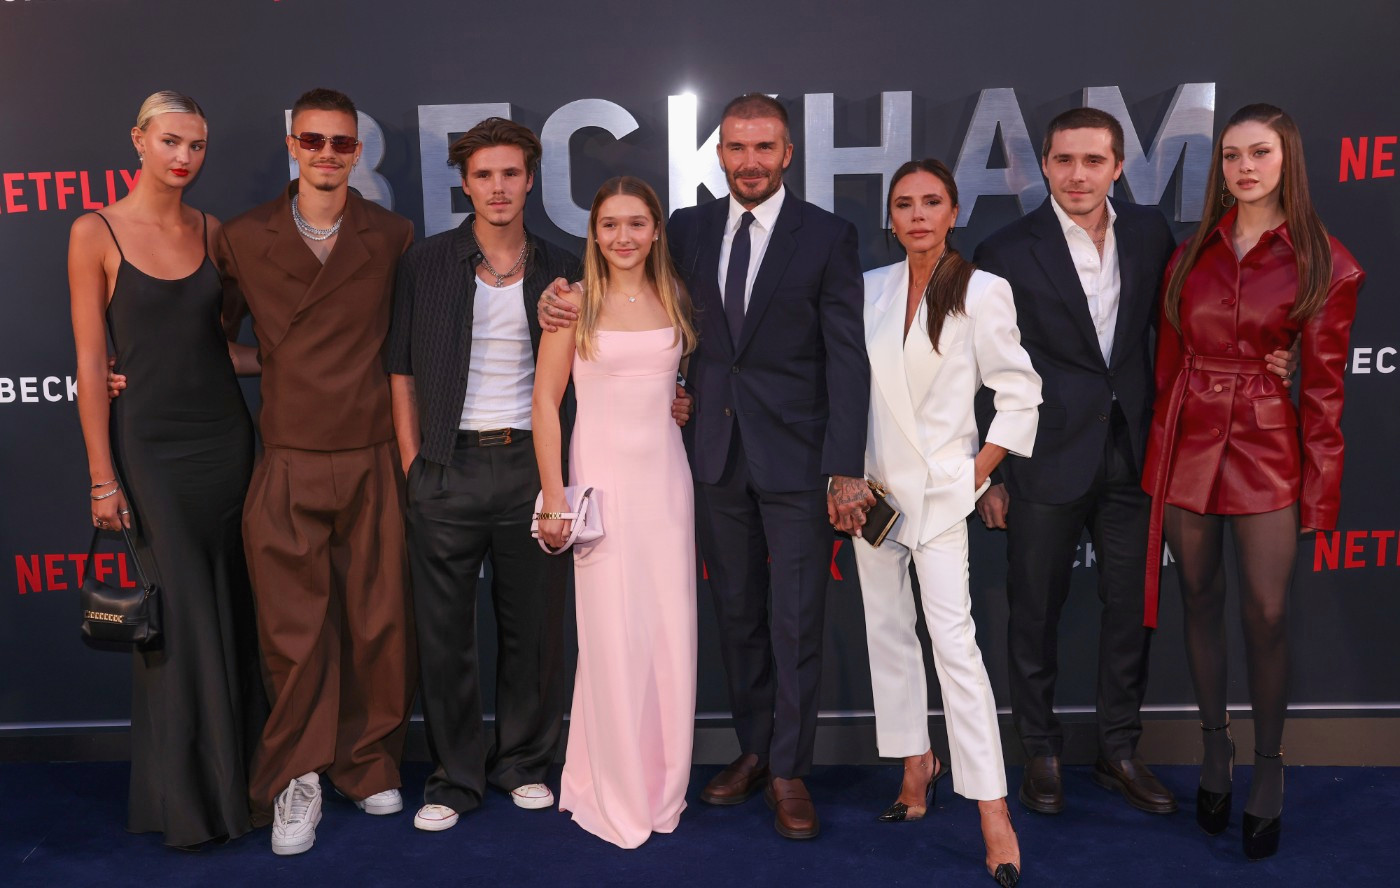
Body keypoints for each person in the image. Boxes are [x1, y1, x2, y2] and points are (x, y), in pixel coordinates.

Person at [541, 93, 872, 840]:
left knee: (795, 620)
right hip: (710, 459)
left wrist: (844, 467)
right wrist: (554, 302)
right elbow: (629, 295)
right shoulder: (687, 230)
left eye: (764, 147)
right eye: (736, 148)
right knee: (738, 617)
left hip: (796, 460)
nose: (750, 162)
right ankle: (754, 748)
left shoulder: (827, 236)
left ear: (788, 154)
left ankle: (788, 770)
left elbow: (847, 359)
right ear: (718, 154)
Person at [973, 107, 1295, 819]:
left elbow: (1202, 318)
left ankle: (1119, 749)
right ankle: (1041, 751)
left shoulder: (1152, 234)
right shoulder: (1004, 250)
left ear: (1118, 167)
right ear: (1044, 166)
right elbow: (980, 367)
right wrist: (989, 471)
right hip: (1042, 457)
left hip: (1137, 456)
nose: (1078, 175)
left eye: (1094, 161)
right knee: (1034, 612)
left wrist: (1278, 352)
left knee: (1131, 612)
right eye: (1064, 160)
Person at [1142, 103, 1362, 860]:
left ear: (1287, 158)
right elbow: (1168, 366)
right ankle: (1215, 748)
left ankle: (1269, 766)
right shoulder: (1188, 254)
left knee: (1266, 614)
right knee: (1198, 599)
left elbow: (1326, 394)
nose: (1244, 167)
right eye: (1232, 155)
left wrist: (1320, 495)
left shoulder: (1326, 262)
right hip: (1190, 443)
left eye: (1260, 153)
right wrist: (1158, 461)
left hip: (1268, 448)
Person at [217, 88, 416, 855]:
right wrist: (275, 364)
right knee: (293, 632)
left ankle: (368, 764)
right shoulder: (243, 237)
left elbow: (409, 344)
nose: (326, 154)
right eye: (313, 140)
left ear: (357, 152)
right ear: (292, 145)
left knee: (378, 622)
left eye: (340, 143)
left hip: (371, 452)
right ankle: (298, 775)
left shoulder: (391, 235)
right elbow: (213, 338)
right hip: (291, 454)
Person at [68, 90, 263, 848]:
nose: (185, 157)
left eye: (197, 145)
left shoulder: (215, 233)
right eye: (171, 141)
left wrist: (301, 364)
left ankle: (243, 786)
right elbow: (91, 363)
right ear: (138, 141)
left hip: (227, 442)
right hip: (150, 451)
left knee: (231, 608)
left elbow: (219, 348)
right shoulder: (95, 231)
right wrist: (102, 478)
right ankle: (187, 802)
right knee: (178, 620)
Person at [386, 118, 580, 831]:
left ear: (530, 180)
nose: (498, 188)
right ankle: (454, 779)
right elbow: (400, 372)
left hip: (533, 466)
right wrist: (414, 465)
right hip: (447, 464)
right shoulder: (426, 263)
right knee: (444, 636)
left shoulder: (566, 265)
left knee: (534, 630)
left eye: (510, 174)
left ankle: (523, 764)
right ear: (465, 185)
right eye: (483, 175)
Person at [855, 159, 1039, 887]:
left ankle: (993, 808)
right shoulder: (868, 288)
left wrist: (974, 474)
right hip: (873, 494)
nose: (918, 216)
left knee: (954, 646)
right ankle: (915, 765)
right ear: (890, 217)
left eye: (931, 202)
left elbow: (1019, 394)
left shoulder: (982, 290)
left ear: (954, 212)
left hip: (939, 496)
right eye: (904, 204)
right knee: (887, 635)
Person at [532, 176, 698, 849]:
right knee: (609, 638)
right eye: (609, 225)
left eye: (636, 223)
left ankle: (662, 786)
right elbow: (545, 405)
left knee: (668, 635)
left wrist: (681, 400)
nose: (623, 237)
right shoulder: (572, 302)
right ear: (593, 233)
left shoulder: (675, 294)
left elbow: (675, 383)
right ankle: (614, 788)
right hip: (599, 486)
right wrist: (554, 497)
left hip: (667, 484)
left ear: (655, 230)